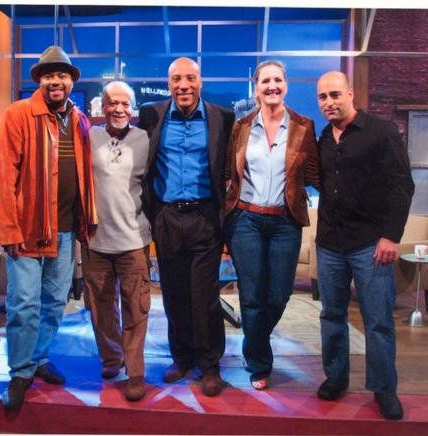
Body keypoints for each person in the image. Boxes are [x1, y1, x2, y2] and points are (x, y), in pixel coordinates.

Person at [0, 45, 97, 410]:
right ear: (39, 80)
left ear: (71, 82)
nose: (56, 81)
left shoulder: (79, 120)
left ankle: (37, 358)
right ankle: (20, 371)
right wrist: (8, 230)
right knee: (23, 304)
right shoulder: (19, 114)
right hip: (28, 230)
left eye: (62, 75)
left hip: (65, 230)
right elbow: (2, 176)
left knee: (53, 303)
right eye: (49, 75)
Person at [315, 71, 414, 420]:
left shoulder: (381, 132)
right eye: (323, 97)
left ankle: (384, 389)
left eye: (335, 94)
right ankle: (336, 378)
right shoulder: (322, 139)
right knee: (331, 316)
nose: (329, 102)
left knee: (378, 320)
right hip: (329, 244)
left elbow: (402, 186)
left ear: (350, 94)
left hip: (370, 244)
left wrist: (391, 236)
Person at [137, 57, 234, 397]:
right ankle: (181, 358)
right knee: (174, 293)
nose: (183, 85)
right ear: (169, 84)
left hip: (205, 217)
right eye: (176, 79)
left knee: (205, 296)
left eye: (190, 78)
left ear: (200, 81)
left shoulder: (223, 118)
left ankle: (209, 365)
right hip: (167, 217)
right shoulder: (152, 115)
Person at [224, 60, 319, 390]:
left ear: (286, 85)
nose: (272, 86)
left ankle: (253, 343)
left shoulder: (304, 126)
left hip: (285, 222)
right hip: (245, 220)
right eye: (265, 81)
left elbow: (315, 173)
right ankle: (259, 364)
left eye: (277, 80)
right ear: (257, 87)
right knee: (251, 297)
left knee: (278, 295)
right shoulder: (241, 126)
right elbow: (228, 172)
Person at [83, 81, 152, 401]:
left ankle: (135, 371)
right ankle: (112, 358)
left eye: (125, 103)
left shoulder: (145, 140)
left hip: (134, 239)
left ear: (133, 107)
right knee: (100, 306)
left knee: (136, 308)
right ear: (102, 106)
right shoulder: (89, 137)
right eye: (113, 103)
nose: (119, 109)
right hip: (96, 240)